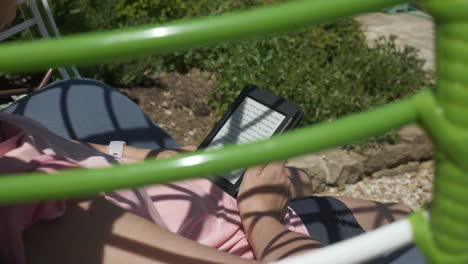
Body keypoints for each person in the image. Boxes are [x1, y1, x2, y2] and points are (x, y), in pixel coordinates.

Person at [0, 3, 425, 264]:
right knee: (418, 232)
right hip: (261, 236)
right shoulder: (33, 200)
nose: (19, 13)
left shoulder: (12, 139)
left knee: (371, 203)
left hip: (220, 206)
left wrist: (149, 157)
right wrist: (263, 214)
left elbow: (60, 148)